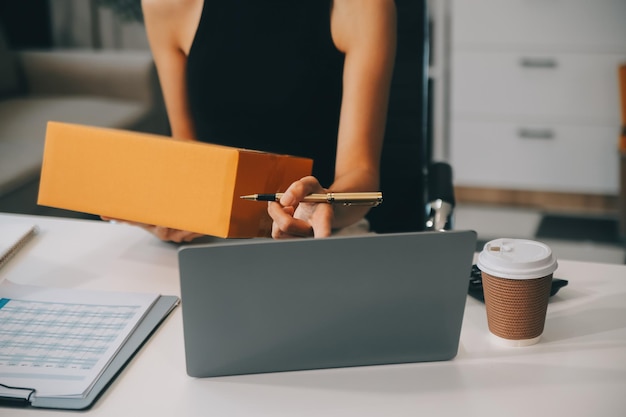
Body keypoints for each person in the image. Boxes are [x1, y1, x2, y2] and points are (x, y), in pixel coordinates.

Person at [130, 0, 397, 242]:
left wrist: (327, 203)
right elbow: (187, 158)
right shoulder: (165, 5)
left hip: (321, 235)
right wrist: (167, 211)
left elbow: (360, 173)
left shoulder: (361, 6)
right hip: (208, 238)